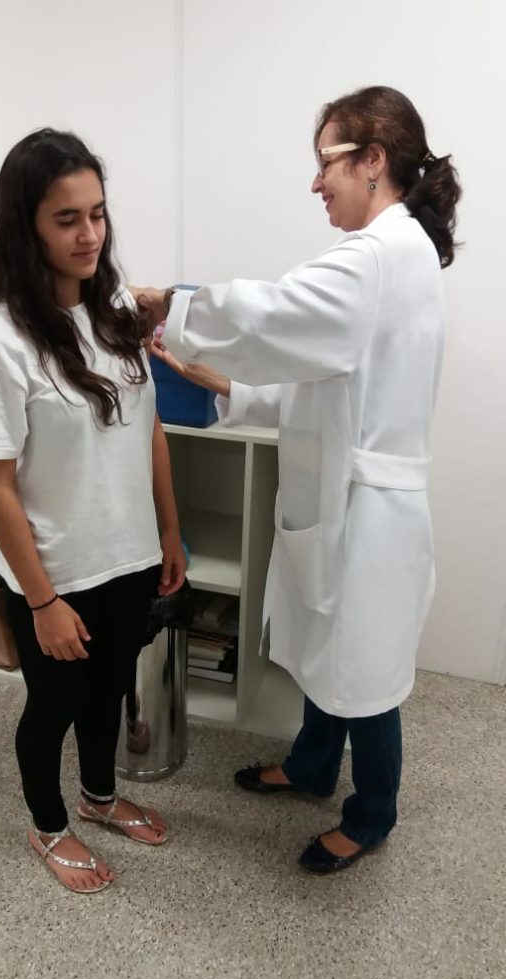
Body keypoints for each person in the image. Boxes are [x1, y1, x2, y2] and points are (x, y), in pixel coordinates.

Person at [134, 86, 461, 874]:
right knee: (323, 648)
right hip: (341, 494)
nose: (316, 183)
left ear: (373, 159)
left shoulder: (379, 255)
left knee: (363, 671)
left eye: (326, 163)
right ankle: (313, 767)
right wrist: (227, 386)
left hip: (369, 512)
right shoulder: (390, 253)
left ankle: (372, 813)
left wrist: (172, 306)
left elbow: (273, 312)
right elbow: (321, 382)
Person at [0, 129, 186, 893]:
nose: (90, 234)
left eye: (98, 213)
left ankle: (99, 797)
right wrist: (43, 601)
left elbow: (149, 428)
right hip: (55, 573)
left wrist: (169, 532)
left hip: (130, 555)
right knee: (52, 708)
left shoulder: (116, 311)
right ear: (26, 227)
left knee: (108, 692)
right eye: (66, 219)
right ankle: (49, 826)